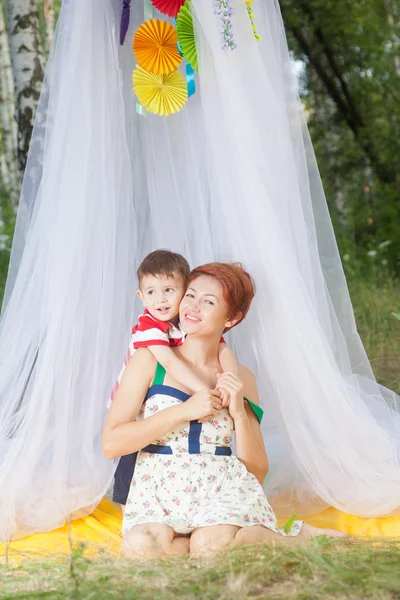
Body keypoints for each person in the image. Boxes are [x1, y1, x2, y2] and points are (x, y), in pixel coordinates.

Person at [102, 263, 346, 558]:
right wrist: (182, 411)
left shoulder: (240, 376)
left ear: (231, 318)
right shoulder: (149, 360)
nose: (193, 307)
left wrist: (239, 412)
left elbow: (256, 469)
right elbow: (112, 444)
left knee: (211, 550)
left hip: (221, 486)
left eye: (209, 302)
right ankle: (257, 538)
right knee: (142, 550)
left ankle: (287, 539)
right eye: (190, 295)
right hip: (158, 487)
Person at [111, 250, 238, 506]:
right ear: (141, 296)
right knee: (135, 452)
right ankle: (127, 502)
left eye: (169, 290)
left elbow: (223, 348)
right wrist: (204, 391)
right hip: (137, 401)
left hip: (165, 398)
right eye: (151, 292)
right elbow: (168, 361)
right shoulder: (149, 325)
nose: (160, 300)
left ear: (184, 290)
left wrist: (229, 377)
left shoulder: (185, 321)